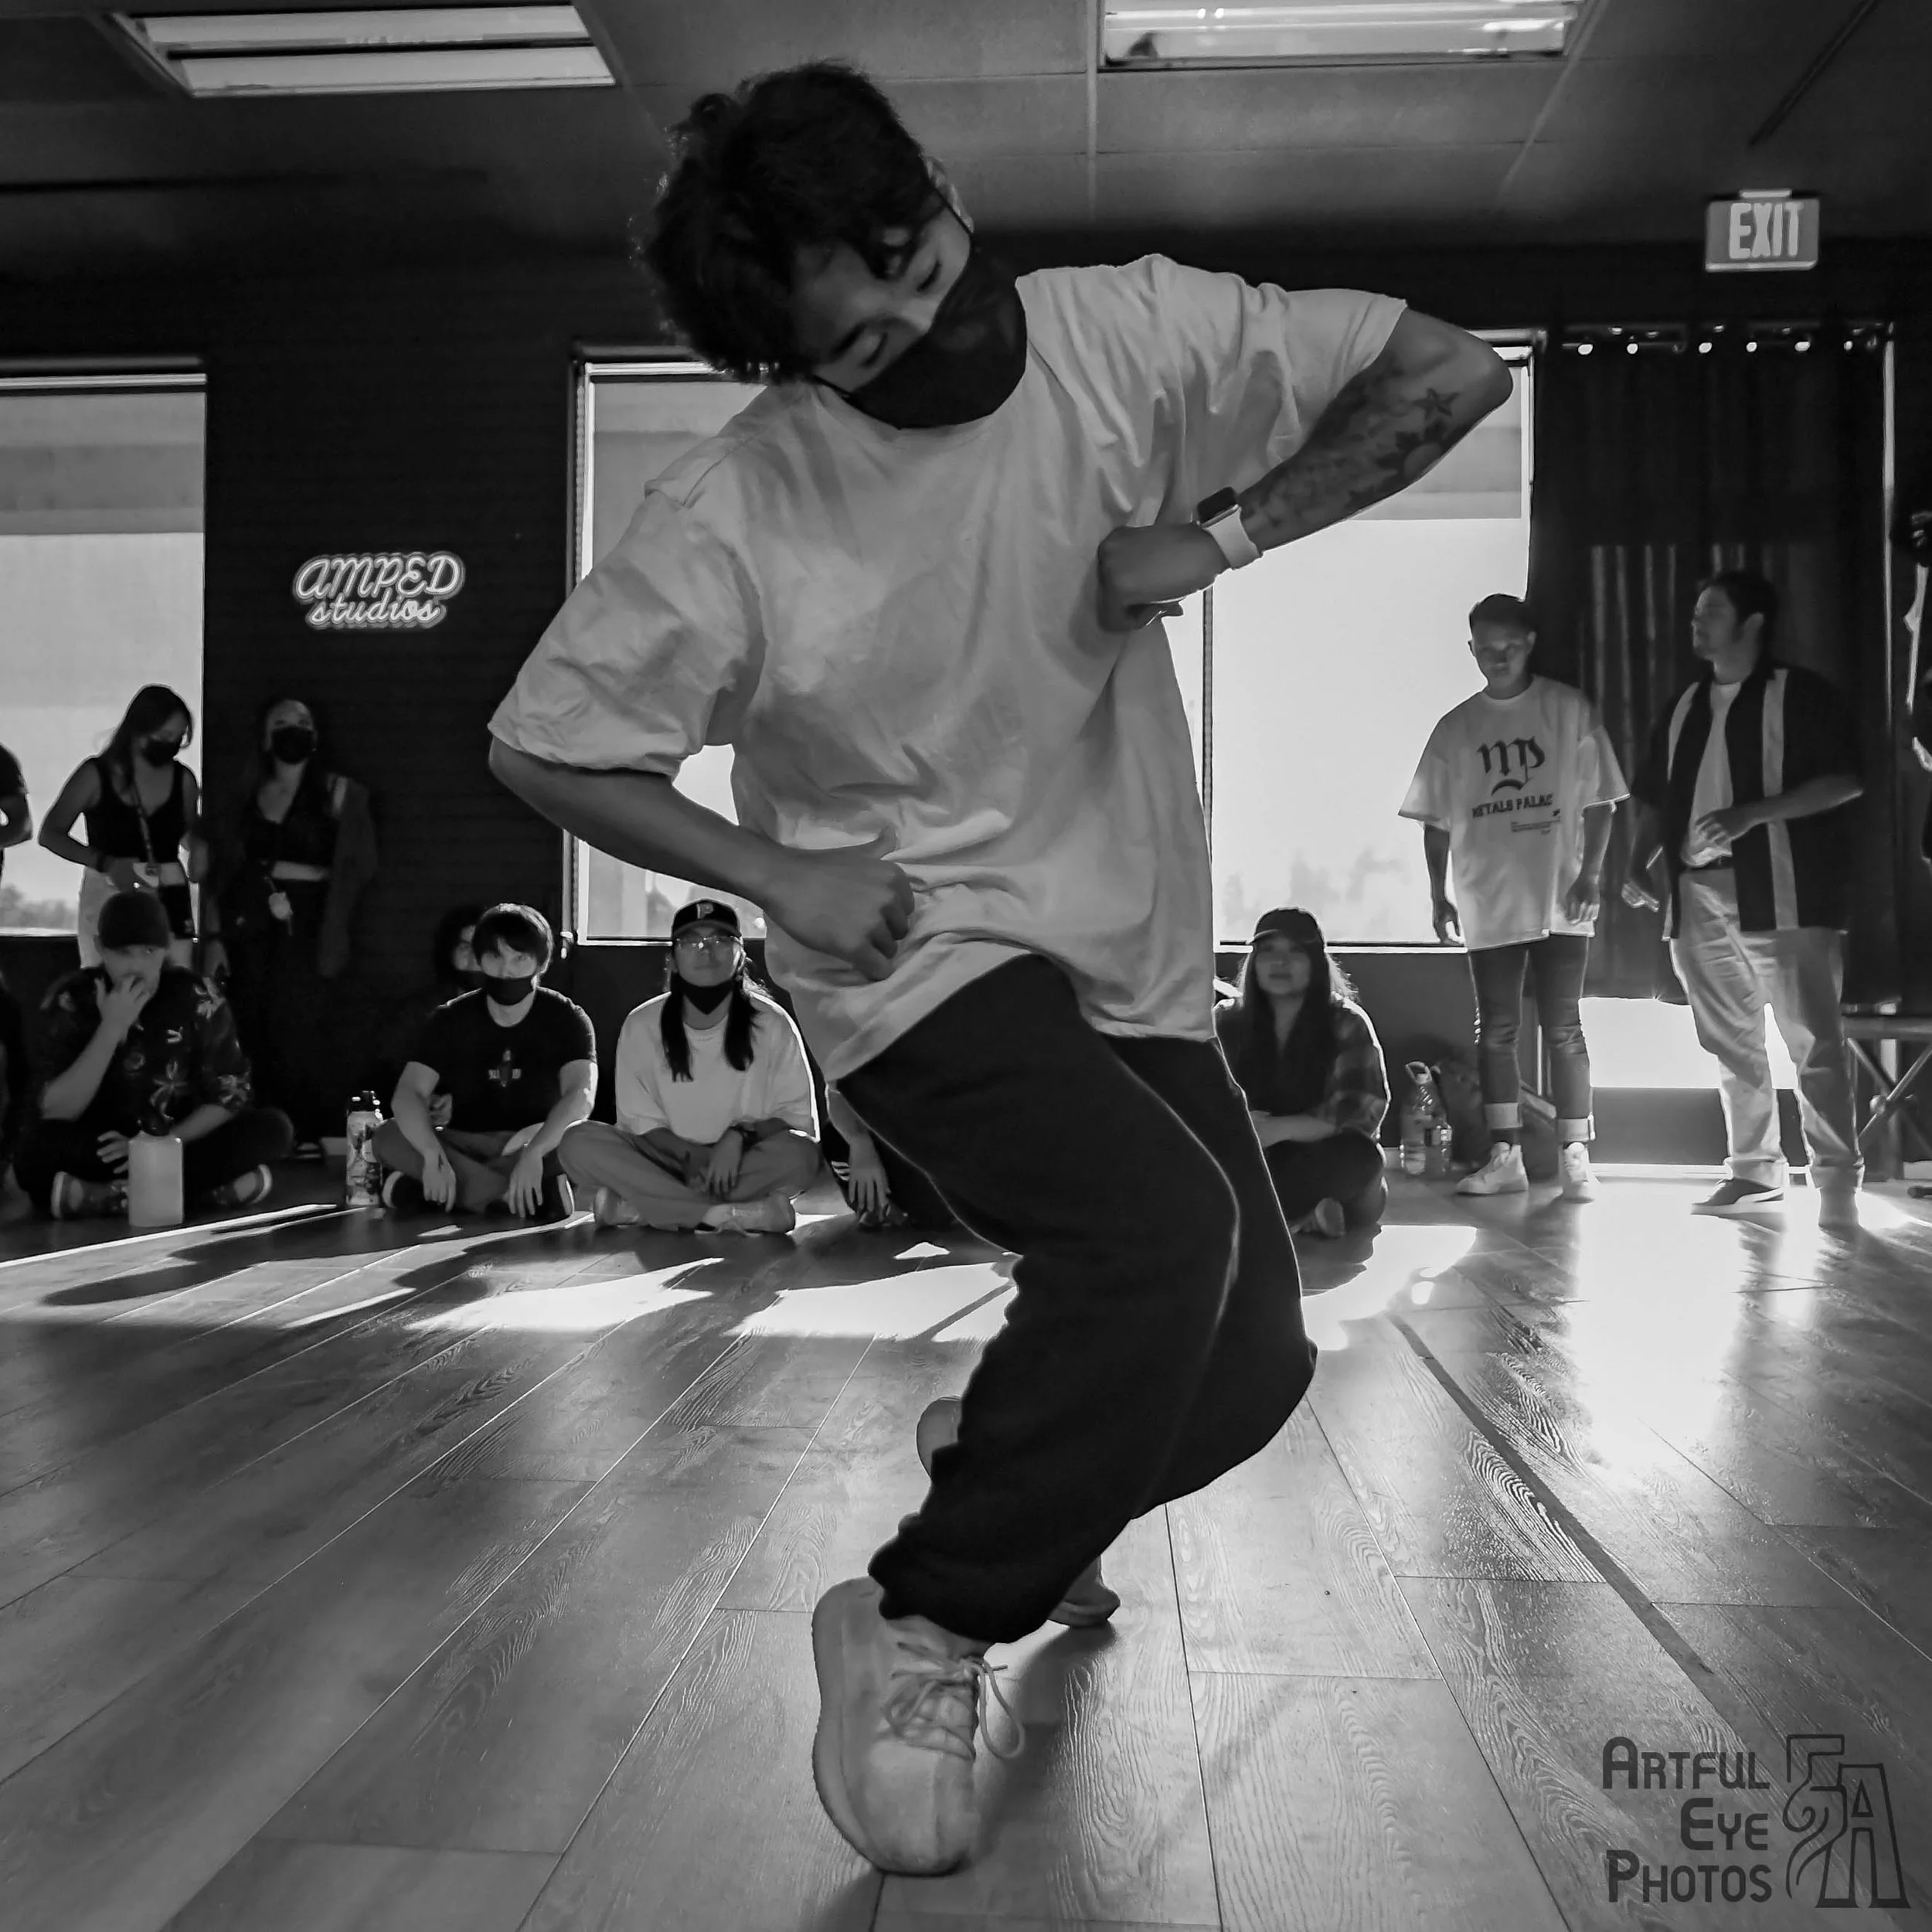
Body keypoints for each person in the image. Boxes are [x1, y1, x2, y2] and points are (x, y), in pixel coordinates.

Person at [485, 63, 1509, 1876]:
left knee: (1252, 1364)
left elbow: (1447, 373)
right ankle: (920, 1618)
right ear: (794, 368)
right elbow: (545, 746)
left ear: (938, 188)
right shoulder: (737, 511)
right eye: (864, 340)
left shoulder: (1131, 335)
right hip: (907, 953)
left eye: (918, 257)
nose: (928, 324)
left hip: (1123, 945)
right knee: (1157, 1237)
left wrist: (1223, 530)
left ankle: (1017, 1454)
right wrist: (774, 868)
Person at [1621, 570, 1865, 1225]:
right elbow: (1655, 796)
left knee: (1812, 1039)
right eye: (1697, 611)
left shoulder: (1802, 695)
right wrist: (1639, 861)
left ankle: (1836, 1179)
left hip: (1787, 888)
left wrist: (1750, 815)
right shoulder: (1684, 704)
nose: (1696, 622)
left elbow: (1845, 781)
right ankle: (1754, 1171)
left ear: (1753, 623)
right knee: (1729, 1039)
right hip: (1695, 891)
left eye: (1712, 612)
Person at [1400, 594, 1627, 1203]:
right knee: (1496, 1029)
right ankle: (1506, 1155)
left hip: (1560, 893)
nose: (1497, 659)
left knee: (1564, 1026)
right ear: (1471, 649)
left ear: (1529, 645)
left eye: (1509, 647)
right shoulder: (1456, 728)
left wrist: (1590, 877)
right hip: (1488, 897)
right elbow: (1435, 822)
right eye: (1486, 649)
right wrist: (1437, 894)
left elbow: (1602, 803)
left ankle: (1575, 1151)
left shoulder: (1568, 709)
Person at [14, 887, 292, 1219]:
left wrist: (161, 1145)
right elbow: (55, 1109)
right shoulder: (74, 997)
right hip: (102, 1146)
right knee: (32, 1154)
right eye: (123, 953)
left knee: (273, 1129)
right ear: (101, 947)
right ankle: (196, 1192)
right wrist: (111, 1028)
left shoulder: (197, 997)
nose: (136, 965)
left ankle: (109, 1196)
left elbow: (229, 1095)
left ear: (166, 947)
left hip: (178, 1140)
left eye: (148, 952)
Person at [560, 897, 822, 1233]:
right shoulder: (642, 1023)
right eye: (691, 942)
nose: (706, 951)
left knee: (802, 1155)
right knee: (577, 1142)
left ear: (741, 955)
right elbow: (640, 1124)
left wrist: (739, 1135)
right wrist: (691, 1157)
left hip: (741, 1161)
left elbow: (796, 1119)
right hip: (664, 1159)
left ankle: (644, 1208)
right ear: (672, 959)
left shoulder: (772, 1022)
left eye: (720, 940)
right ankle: (725, 1215)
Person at [203, 697, 379, 1143]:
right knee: (250, 1017)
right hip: (250, 920)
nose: (292, 729)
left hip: (310, 922)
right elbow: (222, 871)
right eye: (281, 722)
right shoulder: (246, 795)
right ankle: (257, 1128)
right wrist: (215, 935)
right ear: (265, 738)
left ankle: (302, 1130)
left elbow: (359, 862)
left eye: (302, 722)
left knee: (299, 1022)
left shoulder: (336, 792)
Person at [373, 902, 596, 1220]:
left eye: (520, 958)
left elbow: (581, 1095)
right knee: (387, 1136)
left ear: (541, 962)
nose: (507, 971)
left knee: (582, 1140)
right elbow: (408, 1092)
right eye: (495, 957)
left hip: (536, 1139)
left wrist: (534, 1152)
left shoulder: (568, 1018)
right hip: (463, 1143)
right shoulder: (450, 1017)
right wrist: (432, 1155)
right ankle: (513, 1197)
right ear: (479, 960)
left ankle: (428, 1191)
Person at [1216, 907, 1389, 1237]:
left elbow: (1359, 1112)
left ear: (1316, 963)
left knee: (1360, 1156)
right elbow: (1203, 1099)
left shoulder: (1347, 1022)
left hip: (1321, 1155)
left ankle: (1263, 1214)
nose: (1280, 962)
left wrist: (1276, 1129)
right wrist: (1244, 1129)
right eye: (1268, 950)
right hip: (1252, 1153)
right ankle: (1302, 1218)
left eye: (1295, 951)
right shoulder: (1225, 1019)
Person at [38, 685, 204, 969]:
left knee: (175, 982)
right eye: (165, 736)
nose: (171, 745)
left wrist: (201, 847)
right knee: (107, 975)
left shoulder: (183, 780)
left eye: (178, 739)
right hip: (110, 884)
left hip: (168, 889)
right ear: (139, 729)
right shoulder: (95, 775)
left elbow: (187, 832)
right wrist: (104, 862)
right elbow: (51, 834)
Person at [825, 1082, 957, 1232]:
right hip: (885, 1135)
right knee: (835, 1138)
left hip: (929, 1136)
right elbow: (835, 1090)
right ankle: (874, 1200)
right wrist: (859, 1142)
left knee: (932, 1212)